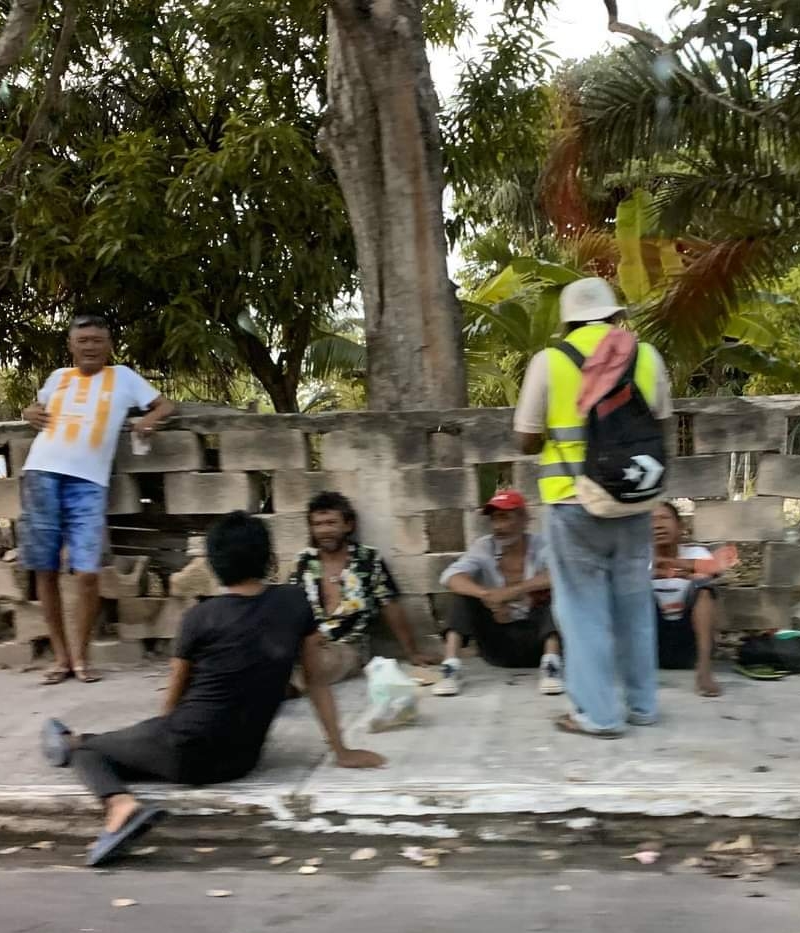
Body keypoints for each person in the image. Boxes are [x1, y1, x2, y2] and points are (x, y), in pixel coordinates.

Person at [40, 512, 385, 867]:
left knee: (88, 754)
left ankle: (118, 805)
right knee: (122, 741)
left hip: (188, 752)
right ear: (267, 559)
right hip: (242, 760)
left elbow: (172, 704)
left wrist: (153, 740)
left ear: (214, 564)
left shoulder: (200, 617)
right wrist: (341, 749)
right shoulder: (295, 603)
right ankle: (85, 739)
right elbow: (317, 682)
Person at [513, 277, 673, 738]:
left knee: (582, 612)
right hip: (635, 499)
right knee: (634, 605)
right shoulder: (646, 355)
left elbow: (526, 439)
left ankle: (598, 715)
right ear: (614, 315)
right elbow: (663, 426)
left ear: (566, 321)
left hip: (572, 501)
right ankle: (642, 706)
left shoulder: (551, 361)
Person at [20, 313, 175, 684]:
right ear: (71, 345)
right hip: (41, 472)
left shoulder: (123, 376)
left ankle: (82, 655)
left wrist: (148, 421)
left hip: (89, 482)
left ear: (108, 344)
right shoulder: (57, 378)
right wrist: (28, 411)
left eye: (97, 340)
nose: (90, 346)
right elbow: (35, 410)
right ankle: (61, 659)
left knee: (87, 572)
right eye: (83, 340)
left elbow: (165, 404)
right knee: (45, 568)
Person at [288, 491, 435, 682]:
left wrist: (412, 653)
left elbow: (389, 606)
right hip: (307, 644)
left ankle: (288, 686)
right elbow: (288, 606)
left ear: (348, 525)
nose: (324, 530)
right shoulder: (303, 561)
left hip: (348, 647)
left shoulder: (368, 560)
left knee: (319, 665)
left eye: (331, 523)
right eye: (317, 524)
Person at [433, 489, 563, 697]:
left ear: (524, 519)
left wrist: (513, 592)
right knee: (462, 595)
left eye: (505, 518)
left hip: (536, 641)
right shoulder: (484, 546)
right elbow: (450, 577)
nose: (498, 527)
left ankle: (551, 666)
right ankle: (450, 668)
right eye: (494, 519)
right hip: (497, 646)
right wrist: (486, 596)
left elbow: (561, 575)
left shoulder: (542, 545)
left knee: (558, 595)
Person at [652, 502, 735, 698]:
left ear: (680, 526)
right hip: (649, 644)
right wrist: (685, 571)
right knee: (634, 590)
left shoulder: (697, 553)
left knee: (703, 589)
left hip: (689, 645)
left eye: (664, 518)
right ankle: (635, 671)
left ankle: (704, 670)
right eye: (651, 521)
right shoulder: (637, 558)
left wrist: (668, 566)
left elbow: (714, 569)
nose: (657, 525)